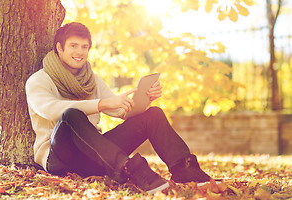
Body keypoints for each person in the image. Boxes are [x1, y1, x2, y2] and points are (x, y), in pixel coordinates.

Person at [25, 22, 211, 194]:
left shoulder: (92, 80)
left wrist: (145, 99)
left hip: (95, 156)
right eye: (73, 46)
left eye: (84, 47)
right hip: (60, 158)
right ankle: (131, 169)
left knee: (153, 114)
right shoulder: (39, 80)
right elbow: (50, 110)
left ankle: (184, 169)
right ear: (59, 47)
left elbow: (122, 112)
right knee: (70, 115)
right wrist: (102, 104)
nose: (79, 52)